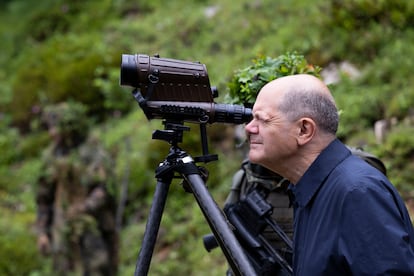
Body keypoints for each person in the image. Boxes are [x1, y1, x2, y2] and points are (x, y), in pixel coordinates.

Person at [244, 74, 414, 275]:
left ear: (304, 130)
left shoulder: (357, 193)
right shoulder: (311, 189)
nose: (249, 128)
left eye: (262, 119)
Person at [35, 102, 118, 276]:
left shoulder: (92, 151)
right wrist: (42, 232)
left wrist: (85, 208)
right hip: (63, 231)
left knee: (98, 268)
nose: (52, 133)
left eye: (56, 127)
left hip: (94, 228)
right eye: (50, 127)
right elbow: (44, 198)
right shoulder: (52, 157)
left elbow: (104, 188)